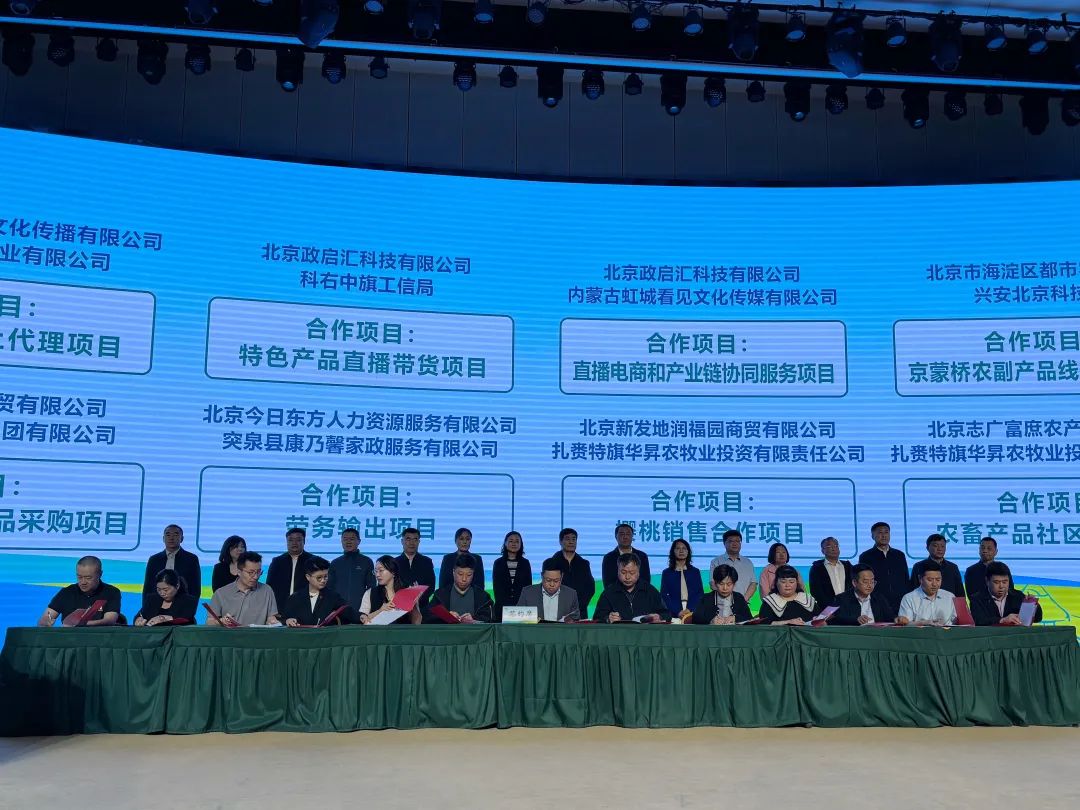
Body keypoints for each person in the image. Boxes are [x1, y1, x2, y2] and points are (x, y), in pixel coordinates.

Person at [38, 556, 121, 627]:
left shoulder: (111, 592)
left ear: (100, 574)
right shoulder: (67, 592)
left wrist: (79, 624)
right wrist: (44, 622)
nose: (83, 582)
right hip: (69, 638)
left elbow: (110, 620)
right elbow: (46, 618)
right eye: (79, 577)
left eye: (88, 578)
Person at [206, 551, 279, 626]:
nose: (255, 577)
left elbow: (271, 618)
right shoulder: (220, 593)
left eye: (258, 572)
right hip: (230, 633)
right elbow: (209, 621)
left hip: (257, 633)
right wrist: (220, 621)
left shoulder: (267, 590)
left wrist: (273, 622)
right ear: (239, 572)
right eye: (251, 572)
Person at [593, 553, 670, 624]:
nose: (627, 577)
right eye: (623, 572)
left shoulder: (650, 591)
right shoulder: (609, 593)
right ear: (618, 571)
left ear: (639, 572)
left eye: (632, 573)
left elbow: (667, 615)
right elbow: (596, 619)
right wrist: (607, 619)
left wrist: (659, 617)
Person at [280, 556, 354, 626]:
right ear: (308, 577)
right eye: (319, 577)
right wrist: (287, 620)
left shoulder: (333, 597)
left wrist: (359, 617)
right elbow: (284, 618)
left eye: (326, 576)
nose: (323, 580)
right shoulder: (295, 598)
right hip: (301, 634)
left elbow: (349, 613)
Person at [857, 521, 908, 614]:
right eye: (880, 532)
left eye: (886, 532)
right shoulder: (866, 556)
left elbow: (905, 578)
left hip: (900, 601)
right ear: (873, 536)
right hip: (877, 601)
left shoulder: (899, 555)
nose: (884, 535)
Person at [970, 561, 1043, 626]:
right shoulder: (977, 599)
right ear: (987, 581)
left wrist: (1033, 605)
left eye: (1005, 582)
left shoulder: (1018, 596)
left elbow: (1037, 618)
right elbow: (979, 621)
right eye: (996, 582)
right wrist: (1002, 620)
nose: (1001, 586)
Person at [141, 524, 201, 599]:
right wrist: (147, 605)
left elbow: (195, 588)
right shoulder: (154, 559)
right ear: (163, 539)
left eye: (175, 535)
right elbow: (148, 587)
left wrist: (190, 604)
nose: (171, 538)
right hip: (157, 603)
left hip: (182, 603)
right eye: (168, 535)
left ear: (182, 539)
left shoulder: (191, 559)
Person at [430, 553, 494, 623]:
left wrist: (474, 619)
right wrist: (446, 616)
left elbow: (491, 618)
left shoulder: (483, 597)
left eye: (469, 575)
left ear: (473, 574)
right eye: (460, 574)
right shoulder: (440, 595)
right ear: (453, 572)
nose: (464, 579)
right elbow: (428, 616)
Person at [547, 527, 595, 619]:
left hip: (579, 612)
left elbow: (590, 588)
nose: (571, 542)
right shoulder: (550, 563)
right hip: (556, 612)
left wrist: (577, 606)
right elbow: (548, 587)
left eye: (574, 539)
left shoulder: (584, 564)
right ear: (560, 542)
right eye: (567, 539)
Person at [359, 555, 422, 625]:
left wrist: (415, 604)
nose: (377, 575)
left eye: (381, 570)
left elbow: (417, 623)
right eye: (375, 571)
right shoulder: (370, 593)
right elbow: (364, 621)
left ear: (393, 572)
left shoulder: (406, 591)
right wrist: (380, 610)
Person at [827, 564, 897, 625]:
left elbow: (890, 617)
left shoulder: (879, 598)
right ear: (854, 583)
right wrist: (855, 620)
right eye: (865, 582)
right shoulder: (840, 599)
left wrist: (896, 619)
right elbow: (830, 618)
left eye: (872, 582)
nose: (870, 585)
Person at [327, 527, 375, 612]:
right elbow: (329, 588)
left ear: (359, 541)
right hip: (338, 610)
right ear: (341, 541)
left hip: (361, 608)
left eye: (352, 539)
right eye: (345, 539)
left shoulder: (367, 561)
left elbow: (371, 587)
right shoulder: (335, 563)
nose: (348, 542)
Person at [517, 557, 580, 622]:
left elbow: (576, 618)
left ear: (562, 576)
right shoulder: (527, 593)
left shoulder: (571, 594)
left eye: (556, 581)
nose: (552, 584)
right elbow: (518, 617)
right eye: (548, 580)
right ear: (542, 576)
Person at [896, 560, 956, 626]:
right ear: (920, 579)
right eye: (930, 580)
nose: (934, 584)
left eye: (938, 580)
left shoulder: (950, 597)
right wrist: (924, 623)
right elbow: (905, 625)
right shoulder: (909, 598)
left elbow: (957, 622)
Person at [267, 527, 314, 609]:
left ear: (304, 541)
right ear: (287, 542)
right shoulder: (277, 561)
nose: (294, 543)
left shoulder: (313, 561)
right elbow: (269, 585)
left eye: (298, 540)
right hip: (281, 608)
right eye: (291, 540)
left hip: (306, 608)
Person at [134, 569, 198, 626]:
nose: (162, 593)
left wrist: (164, 618)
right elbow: (141, 615)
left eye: (166, 590)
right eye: (159, 589)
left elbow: (186, 620)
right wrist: (138, 620)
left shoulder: (188, 601)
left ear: (177, 586)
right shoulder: (151, 599)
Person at [492, 531, 532, 621]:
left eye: (517, 541)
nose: (514, 543)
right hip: (502, 609)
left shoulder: (525, 563)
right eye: (511, 541)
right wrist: (508, 610)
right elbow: (497, 588)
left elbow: (528, 587)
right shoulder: (498, 563)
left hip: (521, 609)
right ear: (505, 543)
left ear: (521, 544)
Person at [660, 538, 704, 619]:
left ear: (688, 552)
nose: (681, 551)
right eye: (678, 548)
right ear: (673, 552)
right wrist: (677, 612)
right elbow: (664, 595)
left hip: (692, 611)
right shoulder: (667, 573)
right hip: (673, 613)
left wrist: (689, 609)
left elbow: (699, 594)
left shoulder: (695, 572)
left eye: (684, 548)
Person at [709, 529, 756, 602]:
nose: (735, 544)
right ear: (724, 543)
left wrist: (743, 600)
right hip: (722, 603)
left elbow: (753, 583)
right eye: (731, 541)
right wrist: (726, 599)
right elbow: (713, 583)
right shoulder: (716, 561)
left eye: (737, 541)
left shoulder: (748, 562)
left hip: (743, 603)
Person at [396, 526, 436, 609]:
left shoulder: (427, 562)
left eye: (415, 539)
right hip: (399, 608)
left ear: (419, 542)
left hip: (422, 607)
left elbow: (431, 586)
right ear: (402, 541)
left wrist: (419, 596)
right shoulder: (394, 562)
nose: (412, 543)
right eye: (408, 539)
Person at [601, 523, 651, 590]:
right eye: (622, 534)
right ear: (616, 537)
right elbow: (608, 583)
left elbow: (646, 581)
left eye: (628, 534)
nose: (625, 537)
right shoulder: (608, 558)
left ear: (632, 536)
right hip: (615, 595)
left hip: (639, 595)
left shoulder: (642, 556)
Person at [808, 536, 852, 610]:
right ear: (823, 551)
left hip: (849, 608)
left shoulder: (848, 566)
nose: (833, 549)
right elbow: (815, 591)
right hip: (827, 610)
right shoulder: (817, 568)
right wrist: (829, 608)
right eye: (829, 547)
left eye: (836, 546)